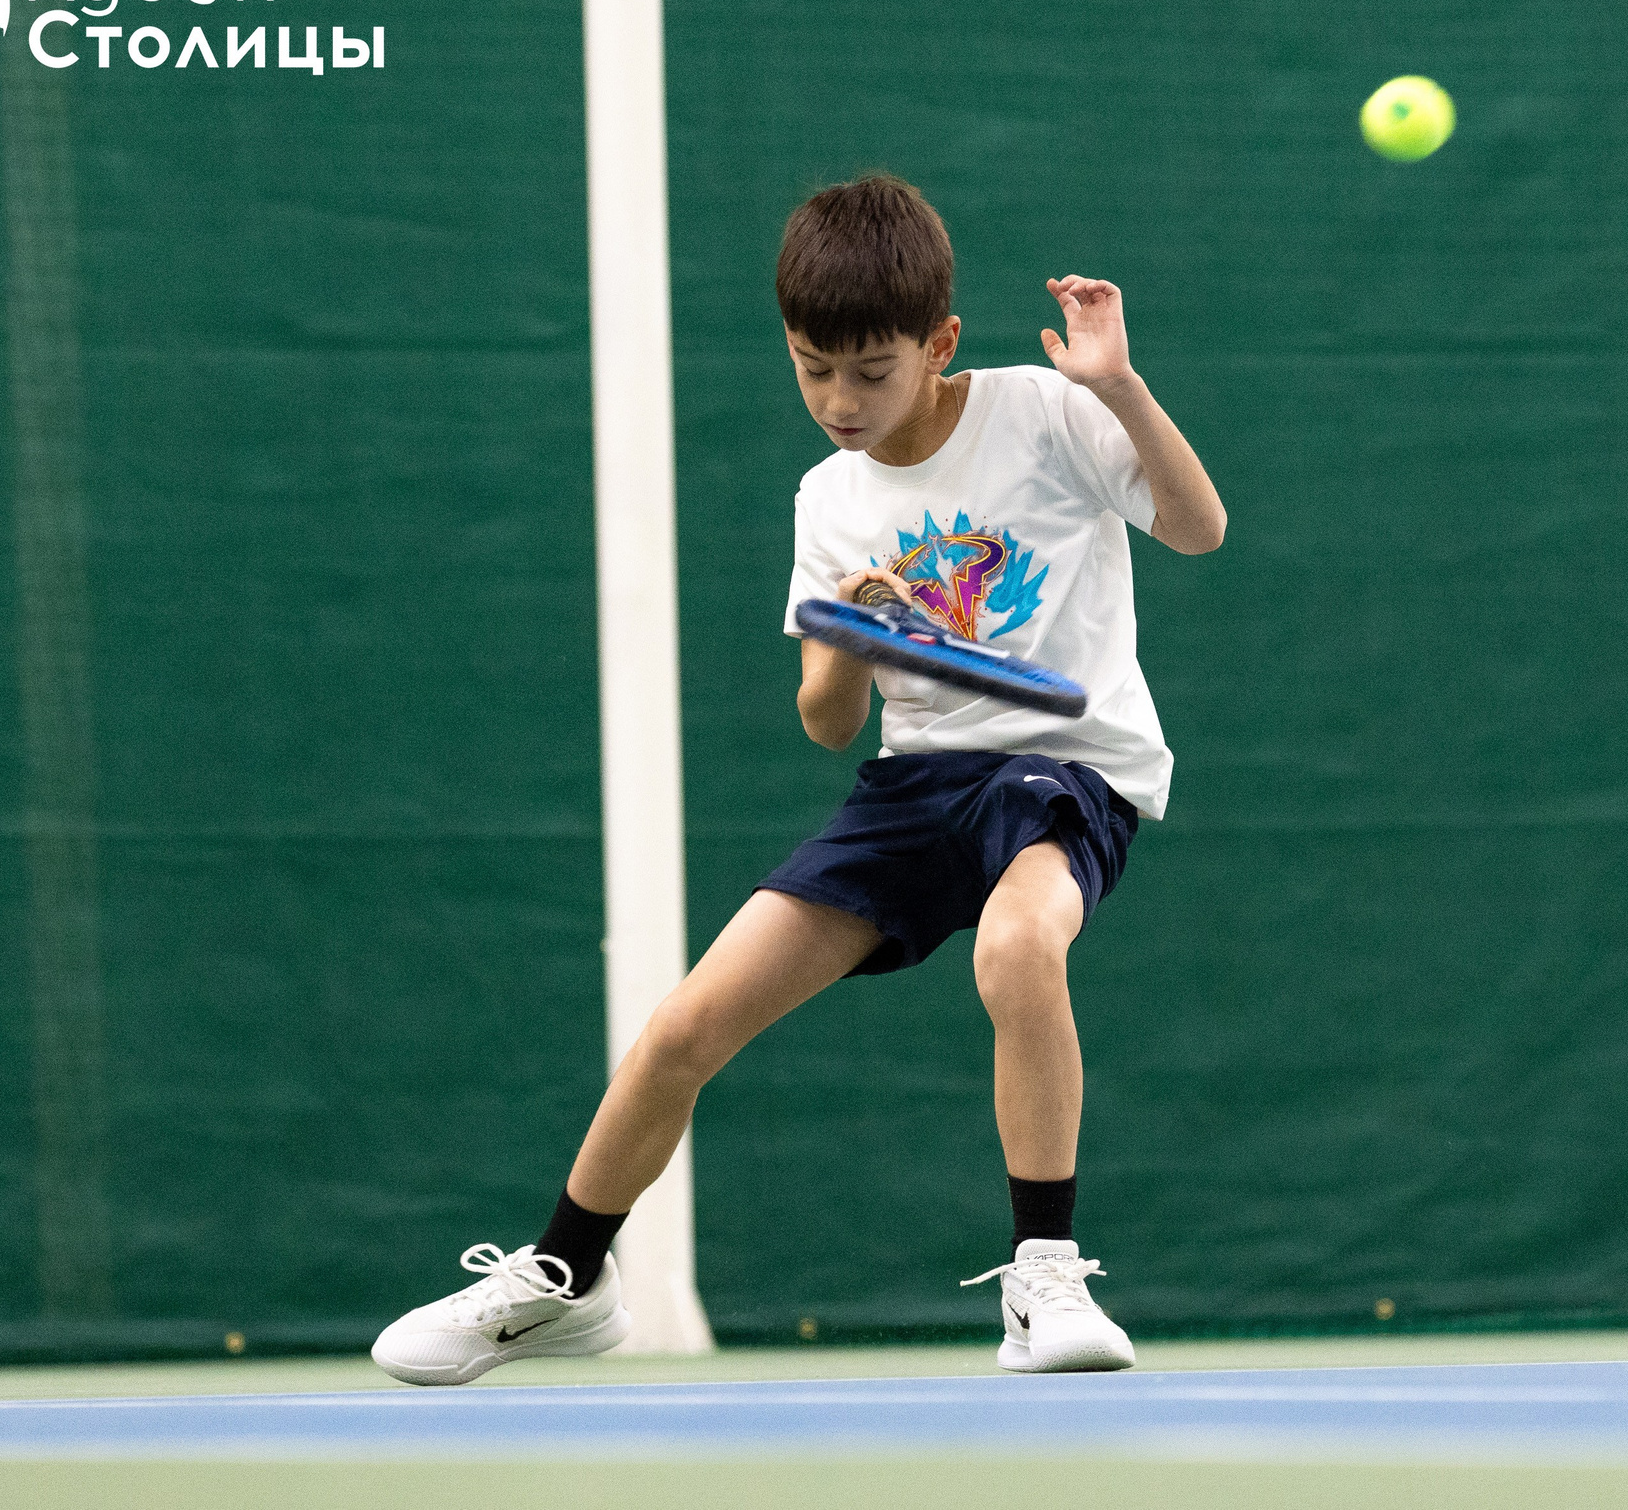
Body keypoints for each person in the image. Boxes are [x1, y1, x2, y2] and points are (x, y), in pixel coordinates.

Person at [371, 174, 1226, 1383]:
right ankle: (564, 1275)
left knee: (1017, 947)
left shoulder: (1043, 412)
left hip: (1063, 773)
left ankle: (1045, 1275)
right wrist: (855, 637)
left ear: (938, 344)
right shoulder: (828, 500)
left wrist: (1118, 386)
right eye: (811, 369)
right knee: (683, 1027)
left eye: (870, 372)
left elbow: (1197, 527)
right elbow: (828, 722)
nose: (838, 401)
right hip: (914, 790)